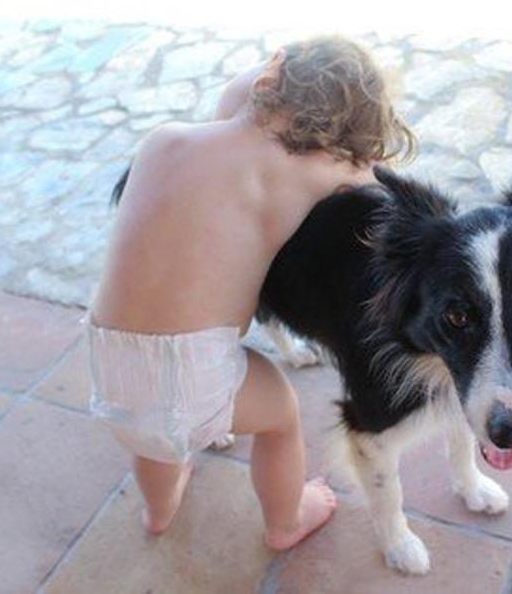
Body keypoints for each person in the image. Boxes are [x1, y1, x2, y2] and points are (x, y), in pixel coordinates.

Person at [87, 36, 415, 550]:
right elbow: (373, 174)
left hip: (108, 365)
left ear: (266, 79)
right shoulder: (305, 175)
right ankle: (287, 520)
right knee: (280, 414)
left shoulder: (163, 141)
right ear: (338, 143)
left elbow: (232, 103)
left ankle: (158, 508)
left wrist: (279, 69)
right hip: (191, 384)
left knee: (154, 437)